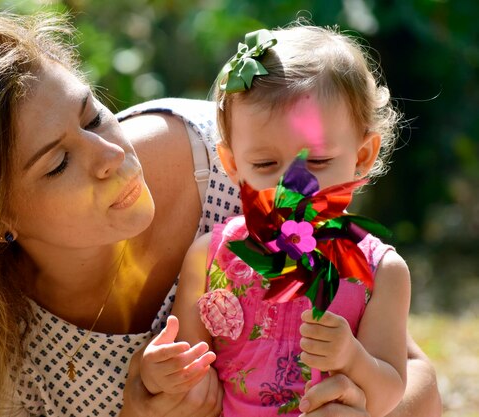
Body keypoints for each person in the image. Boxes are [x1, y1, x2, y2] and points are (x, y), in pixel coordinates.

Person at [0, 12, 441, 417]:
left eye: (90, 117)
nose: (112, 156)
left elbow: (416, 381)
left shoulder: (243, 164)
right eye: (58, 164)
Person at [140, 25, 420, 417]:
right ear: (233, 164)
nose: (294, 183)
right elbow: (189, 367)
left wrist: (352, 357)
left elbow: (390, 393)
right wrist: (162, 374)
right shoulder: (210, 257)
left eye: (318, 161)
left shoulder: (380, 272)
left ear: (361, 156)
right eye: (265, 164)